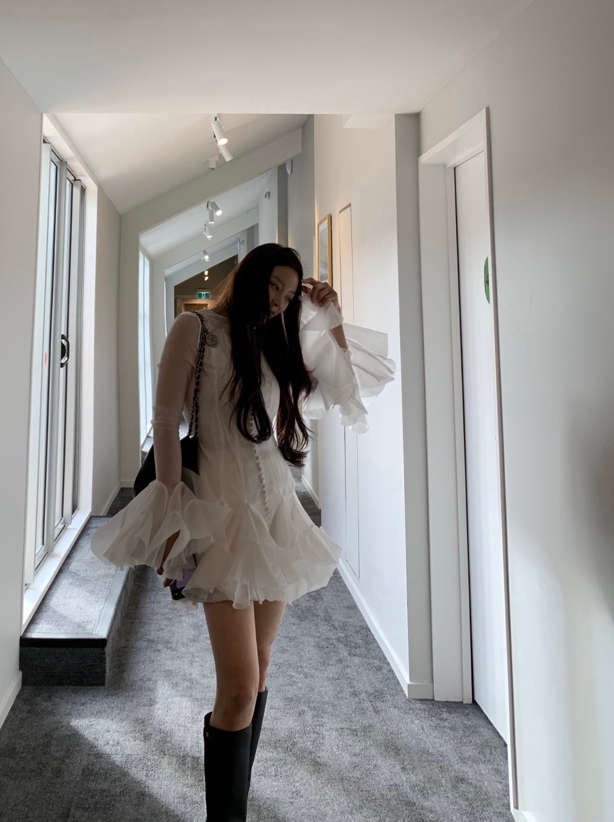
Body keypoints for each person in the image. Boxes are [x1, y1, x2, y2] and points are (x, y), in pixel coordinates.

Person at [91, 243, 395, 821]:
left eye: (289, 294)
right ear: (249, 278)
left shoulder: (275, 338)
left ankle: (237, 805)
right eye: (273, 287)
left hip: (276, 512)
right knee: (237, 685)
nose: (278, 301)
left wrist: (329, 316)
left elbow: (340, 388)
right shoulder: (195, 329)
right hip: (218, 514)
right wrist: (173, 517)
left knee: (260, 663)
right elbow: (164, 422)